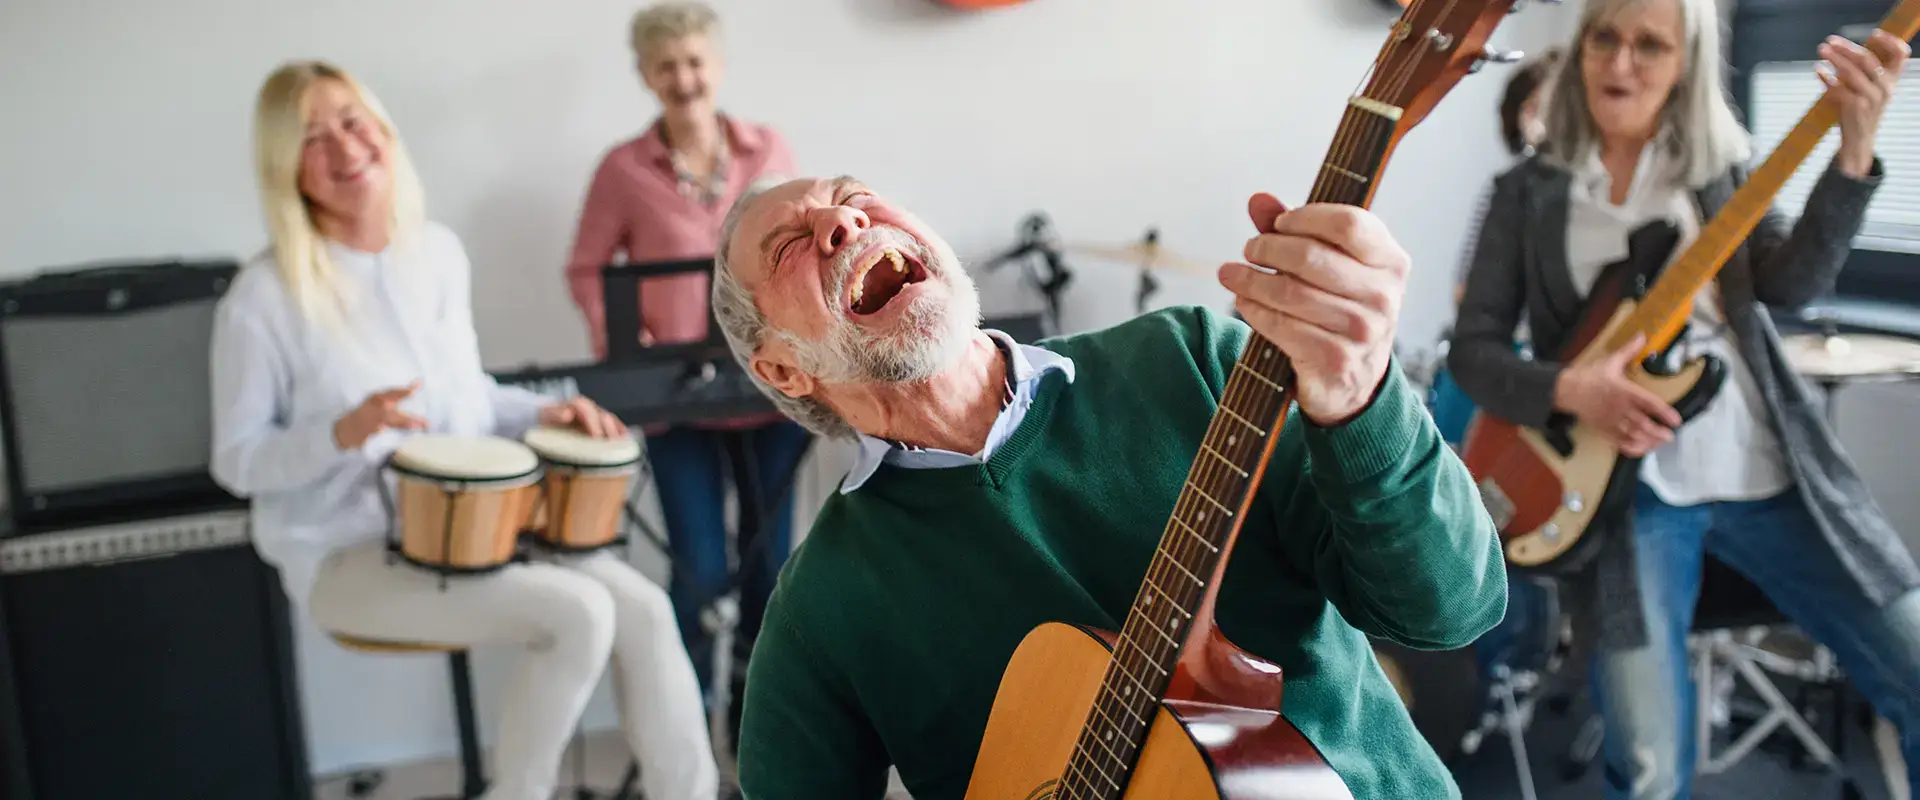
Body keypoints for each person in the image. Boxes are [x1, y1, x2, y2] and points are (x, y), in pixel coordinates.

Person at [708, 174, 1507, 798]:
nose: (843, 224)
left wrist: (1364, 398)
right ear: (783, 370)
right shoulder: (819, 609)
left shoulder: (1193, 360)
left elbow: (1451, 607)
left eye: (855, 197)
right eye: (788, 247)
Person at [209, 60, 717, 800]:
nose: (345, 147)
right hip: (347, 559)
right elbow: (236, 461)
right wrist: (341, 432)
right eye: (313, 138)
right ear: (286, 166)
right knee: (578, 613)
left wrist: (540, 411)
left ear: (382, 130)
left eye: (352, 122)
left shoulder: (436, 253)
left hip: (477, 533)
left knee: (642, 608)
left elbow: (464, 397)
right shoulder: (261, 300)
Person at [1448, 0, 1920, 796]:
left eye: (1649, 45)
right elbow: (1473, 351)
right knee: (1649, 762)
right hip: (1629, 498)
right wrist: (1572, 389)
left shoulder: (1721, 173)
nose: (1621, 63)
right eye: (1605, 38)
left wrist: (1855, 151)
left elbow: (1791, 285)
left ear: (1687, 63)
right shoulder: (1525, 194)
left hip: (1772, 473)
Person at [563, 1, 810, 732]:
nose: (684, 78)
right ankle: (683, 723)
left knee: (772, 567)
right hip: (676, 399)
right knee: (698, 569)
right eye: (666, 66)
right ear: (646, 75)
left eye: (695, 62)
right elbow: (586, 268)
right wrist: (625, 340)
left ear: (718, 66)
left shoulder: (769, 149)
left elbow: (797, 246)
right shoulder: (621, 170)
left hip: (769, 386)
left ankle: (758, 717)